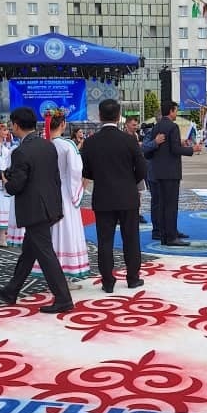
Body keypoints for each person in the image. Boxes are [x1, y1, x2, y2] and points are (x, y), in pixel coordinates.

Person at [0, 107, 74, 313]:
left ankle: (63, 298)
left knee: (45, 254)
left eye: (11, 125)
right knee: (29, 251)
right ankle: (12, 290)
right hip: (50, 206)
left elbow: (16, 186)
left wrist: (6, 180)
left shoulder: (21, 151)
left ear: (16, 125)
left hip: (34, 210)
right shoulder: (47, 145)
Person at [81, 99, 147, 292]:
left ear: (100, 116)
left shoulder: (90, 142)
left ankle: (108, 282)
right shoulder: (129, 140)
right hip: (128, 197)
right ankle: (133, 278)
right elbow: (142, 169)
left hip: (103, 197)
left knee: (105, 241)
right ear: (119, 117)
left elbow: (86, 171)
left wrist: (102, 178)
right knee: (131, 239)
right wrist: (130, 182)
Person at [32, 111, 90, 282]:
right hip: (64, 192)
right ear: (63, 124)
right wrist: (78, 190)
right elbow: (75, 171)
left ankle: (52, 272)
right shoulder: (67, 145)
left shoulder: (42, 145)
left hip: (47, 192)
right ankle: (65, 272)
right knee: (67, 229)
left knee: (50, 231)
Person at [148, 100, 201, 247]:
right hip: (171, 172)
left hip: (158, 171)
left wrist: (179, 144)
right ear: (171, 111)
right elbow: (175, 150)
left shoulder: (156, 127)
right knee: (171, 205)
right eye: (176, 110)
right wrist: (192, 149)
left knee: (162, 204)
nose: (176, 113)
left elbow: (157, 148)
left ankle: (163, 235)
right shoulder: (173, 126)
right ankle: (171, 237)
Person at [124, 115, 149, 224]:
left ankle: (136, 213)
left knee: (139, 193)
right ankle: (124, 214)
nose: (136, 127)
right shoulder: (122, 137)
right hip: (126, 170)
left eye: (136, 125)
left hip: (137, 168)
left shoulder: (136, 135)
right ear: (127, 125)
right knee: (126, 193)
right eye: (133, 125)